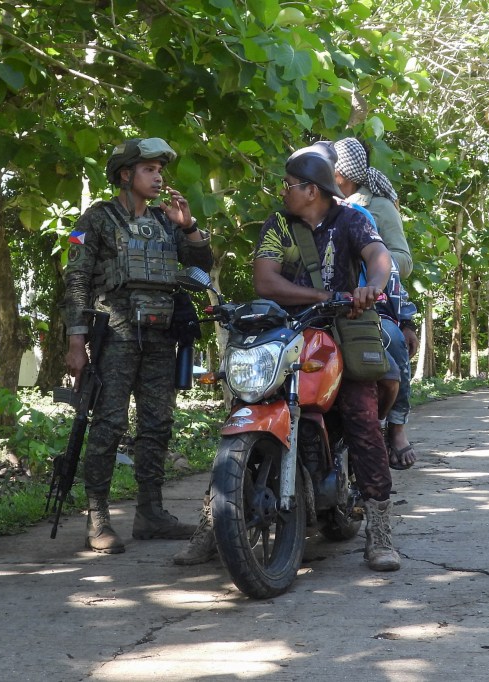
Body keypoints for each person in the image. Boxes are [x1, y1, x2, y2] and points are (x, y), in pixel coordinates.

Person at [174, 143, 402, 572]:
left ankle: (379, 530)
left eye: (290, 185)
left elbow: (378, 256)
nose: (283, 191)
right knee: (245, 407)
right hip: (286, 331)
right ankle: (213, 520)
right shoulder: (279, 224)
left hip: (340, 331)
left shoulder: (352, 219)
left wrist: (371, 286)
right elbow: (265, 281)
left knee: (361, 415)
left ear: (313, 190)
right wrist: (325, 295)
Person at [62, 137, 214, 554]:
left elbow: (201, 267)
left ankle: (151, 514)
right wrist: (76, 341)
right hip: (115, 334)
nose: (159, 176)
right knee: (109, 425)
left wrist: (189, 226)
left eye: (160, 169)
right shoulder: (97, 219)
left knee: (157, 425)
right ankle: (98, 519)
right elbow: (76, 280)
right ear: (126, 174)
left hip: (162, 334)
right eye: (149, 169)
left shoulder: (167, 222)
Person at [333, 137, 419, 470]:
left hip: (373, 302)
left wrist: (371, 258)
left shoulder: (377, 206)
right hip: (327, 302)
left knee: (394, 343)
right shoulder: (321, 205)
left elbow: (403, 260)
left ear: (343, 171)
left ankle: (396, 428)